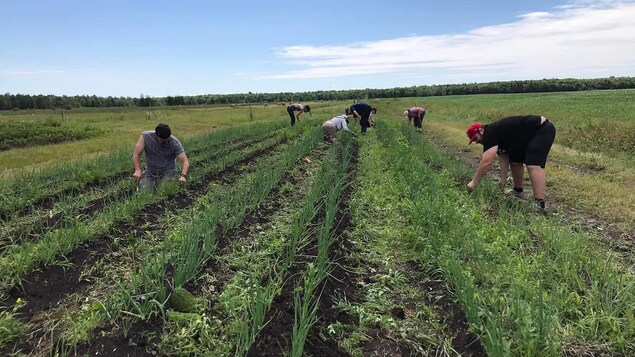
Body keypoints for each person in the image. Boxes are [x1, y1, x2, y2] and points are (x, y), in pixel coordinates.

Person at [465, 115, 556, 211]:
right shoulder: (495, 134)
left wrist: (473, 182)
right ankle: (518, 191)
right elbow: (503, 155)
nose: (476, 142)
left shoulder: (489, 133)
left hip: (541, 129)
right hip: (525, 136)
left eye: (475, 138)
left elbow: (487, 161)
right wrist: (503, 180)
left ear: (481, 130)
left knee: (533, 164)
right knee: (515, 160)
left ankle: (539, 204)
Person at [132, 123, 190, 191]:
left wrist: (183, 176)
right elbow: (136, 155)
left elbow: (185, 161)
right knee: (144, 191)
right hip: (150, 172)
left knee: (164, 191)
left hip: (168, 172)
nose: (164, 142)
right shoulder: (146, 137)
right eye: (162, 140)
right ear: (156, 135)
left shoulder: (174, 142)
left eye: (167, 140)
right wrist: (138, 170)